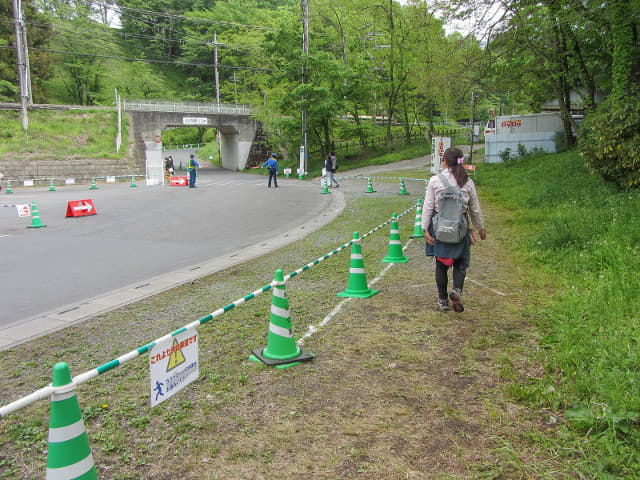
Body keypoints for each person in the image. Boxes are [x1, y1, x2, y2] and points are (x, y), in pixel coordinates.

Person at [421, 146, 486, 312]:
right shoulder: (467, 182)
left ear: (444, 162)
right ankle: (457, 291)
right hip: (460, 228)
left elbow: (428, 206)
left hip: (439, 228)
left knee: (441, 264)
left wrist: (424, 229)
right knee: (460, 263)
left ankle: (442, 300)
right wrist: (480, 228)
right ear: (461, 162)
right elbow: (475, 208)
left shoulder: (435, 181)